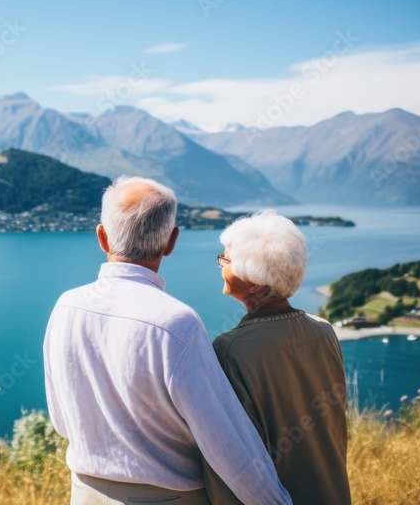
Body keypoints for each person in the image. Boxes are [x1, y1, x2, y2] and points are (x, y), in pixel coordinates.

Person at [44, 176, 291, 505]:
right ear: (171, 241)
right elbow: (231, 449)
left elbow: (63, 422)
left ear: (102, 237)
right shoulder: (176, 324)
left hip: (85, 494)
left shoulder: (66, 307)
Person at [204, 209, 350, 504]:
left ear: (255, 282)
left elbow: (233, 457)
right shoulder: (324, 332)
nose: (221, 265)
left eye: (226, 260)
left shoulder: (230, 350)